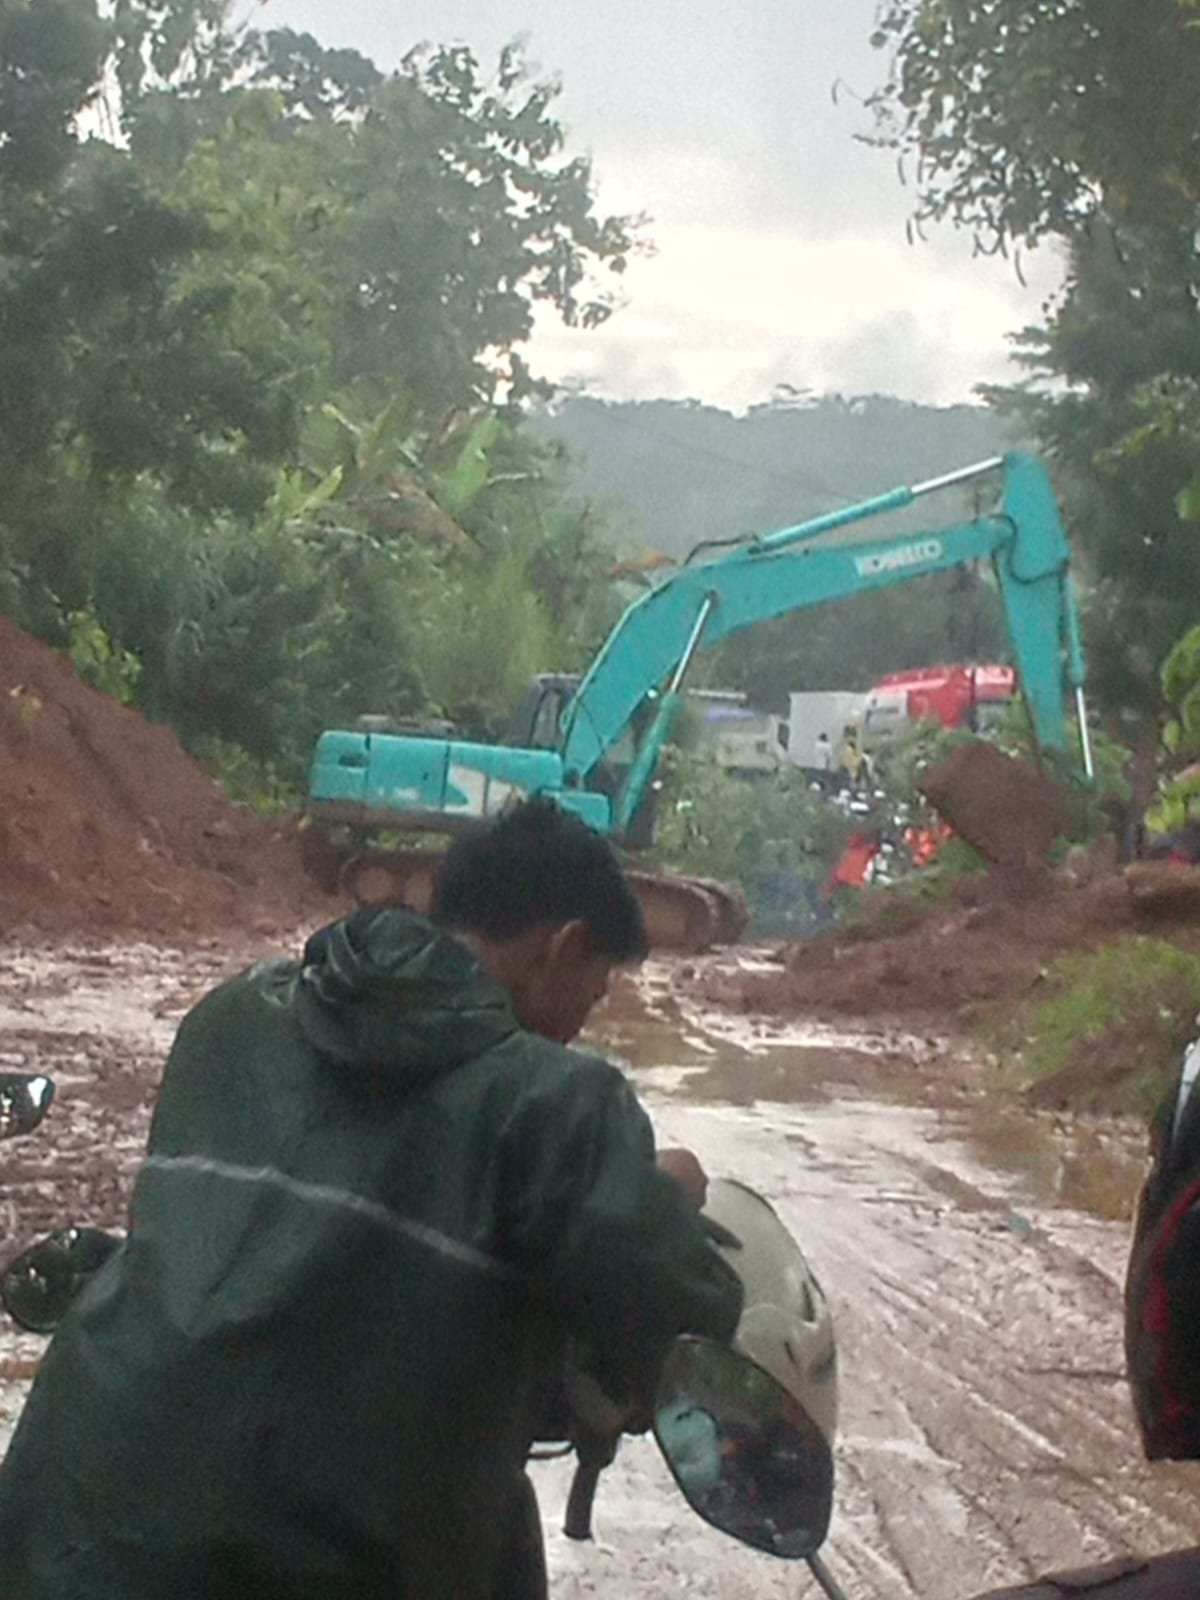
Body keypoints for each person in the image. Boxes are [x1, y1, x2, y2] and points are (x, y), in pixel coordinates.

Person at [0, 798, 743, 1600]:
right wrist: (663, 1197)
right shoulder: (557, 1104)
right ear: (560, 949)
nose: (579, 1022)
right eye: (592, 994)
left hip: (65, 1529)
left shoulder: (232, 1018)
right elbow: (682, 1324)